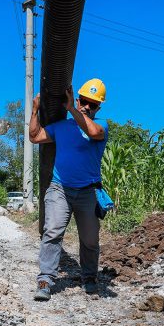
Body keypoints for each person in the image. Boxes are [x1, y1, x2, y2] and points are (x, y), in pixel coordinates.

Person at [28, 78, 108, 301]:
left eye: (93, 104)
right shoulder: (62, 128)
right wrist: (35, 111)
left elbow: (92, 133)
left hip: (88, 192)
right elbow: (34, 137)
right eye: (85, 101)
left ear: (99, 107)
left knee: (90, 239)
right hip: (60, 188)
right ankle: (45, 279)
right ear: (79, 97)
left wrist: (72, 108)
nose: (87, 107)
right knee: (52, 232)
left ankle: (90, 277)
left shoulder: (102, 126)